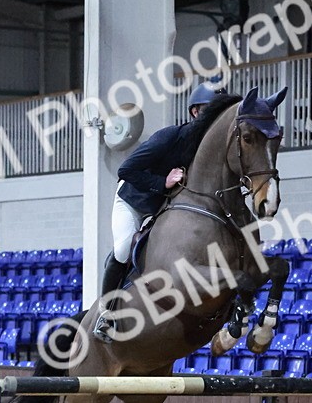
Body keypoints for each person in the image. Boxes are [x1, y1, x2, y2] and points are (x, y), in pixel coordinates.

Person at [92, 82, 222, 341]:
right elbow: (126, 170)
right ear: (195, 112)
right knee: (123, 248)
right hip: (132, 201)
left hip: (161, 207)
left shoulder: (204, 150)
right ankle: (104, 313)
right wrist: (163, 182)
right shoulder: (169, 136)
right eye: (211, 112)